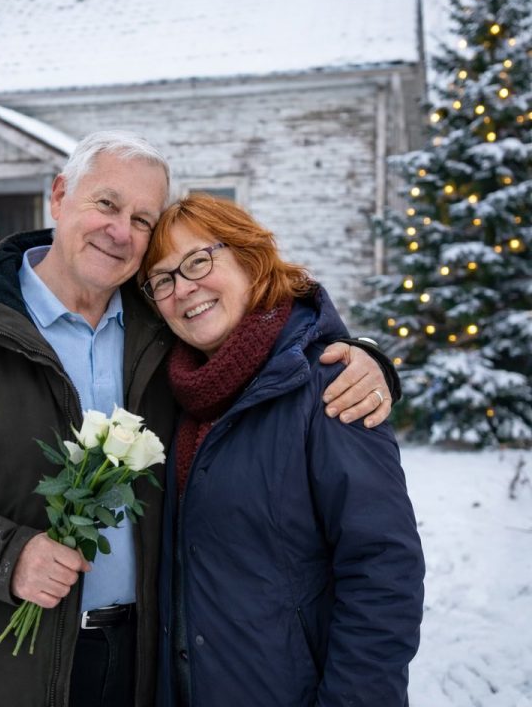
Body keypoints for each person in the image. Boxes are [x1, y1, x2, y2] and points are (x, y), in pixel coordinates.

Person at [0, 132, 398, 707]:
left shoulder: (166, 327)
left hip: (146, 663)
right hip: (4, 665)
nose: (121, 231)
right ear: (59, 196)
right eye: (107, 204)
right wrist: (5, 555)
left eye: (142, 219)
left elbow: (268, 329)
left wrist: (360, 354)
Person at [138, 194, 425, 707]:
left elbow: (383, 571)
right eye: (163, 279)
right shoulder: (174, 395)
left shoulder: (329, 386)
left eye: (199, 260)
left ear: (249, 257)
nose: (185, 288)